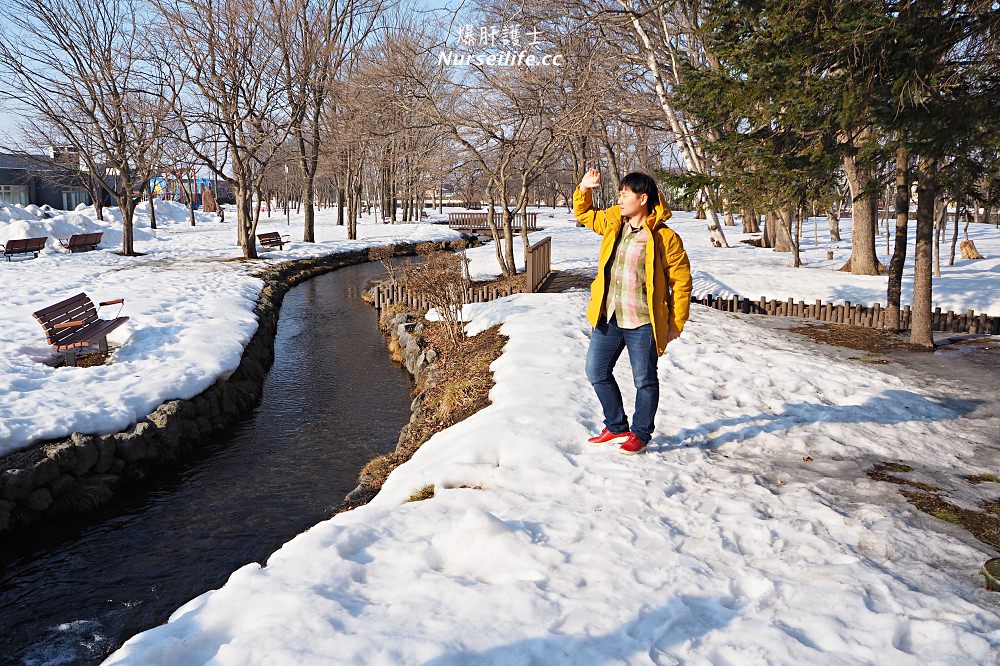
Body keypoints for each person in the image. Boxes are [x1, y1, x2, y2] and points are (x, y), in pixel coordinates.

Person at [575, 168, 692, 455]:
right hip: (609, 316)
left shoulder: (665, 238)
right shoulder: (615, 223)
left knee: (644, 380)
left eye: (625, 194)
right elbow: (585, 214)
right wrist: (584, 188)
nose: (620, 198)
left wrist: (676, 322)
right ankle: (616, 426)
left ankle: (640, 433)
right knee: (596, 371)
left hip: (643, 322)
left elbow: (682, 282)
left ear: (643, 198)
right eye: (620, 193)